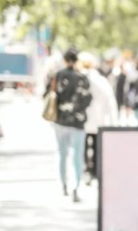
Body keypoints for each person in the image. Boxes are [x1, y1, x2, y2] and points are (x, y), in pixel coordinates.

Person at [46, 48, 92, 202]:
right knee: (77, 155)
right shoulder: (82, 77)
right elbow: (87, 99)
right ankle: (76, 186)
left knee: (62, 153)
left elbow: (50, 94)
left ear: (65, 60)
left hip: (60, 120)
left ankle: (63, 184)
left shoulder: (58, 75)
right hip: (77, 122)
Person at [79, 52, 118, 184]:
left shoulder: (80, 78)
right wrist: (113, 120)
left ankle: (86, 170)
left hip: (83, 119)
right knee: (96, 145)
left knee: (83, 146)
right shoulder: (100, 79)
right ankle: (94, 170)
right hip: (97, 118)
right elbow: (109, 100)